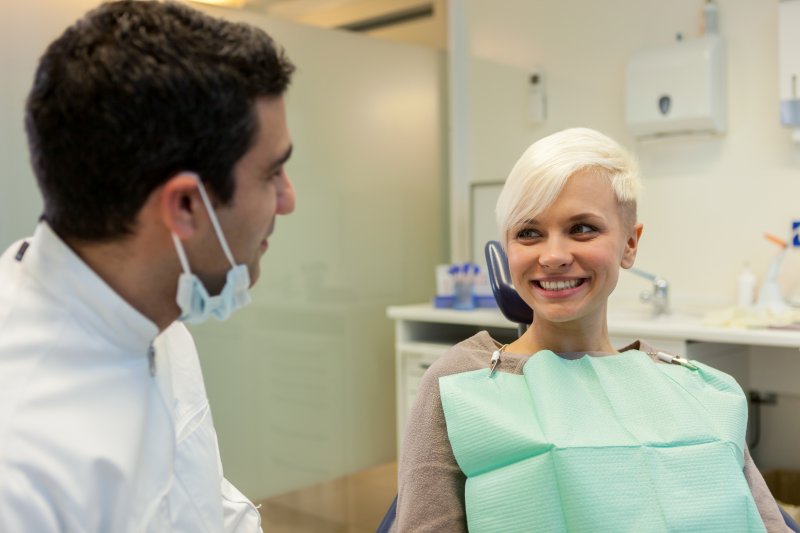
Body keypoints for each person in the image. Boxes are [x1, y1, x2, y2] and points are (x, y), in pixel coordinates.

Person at [394, 128, 791, 532]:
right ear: (507, 248)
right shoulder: (460, 382)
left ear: (630, 245)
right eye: (528, 233)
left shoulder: (695, 390)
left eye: (583, 228)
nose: (553, 256)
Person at [0, 1, 295, 531]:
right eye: (272, 175)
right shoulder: (20, 461)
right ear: (183, 206)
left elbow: (197, 495)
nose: (288, 200)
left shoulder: (157, 312)